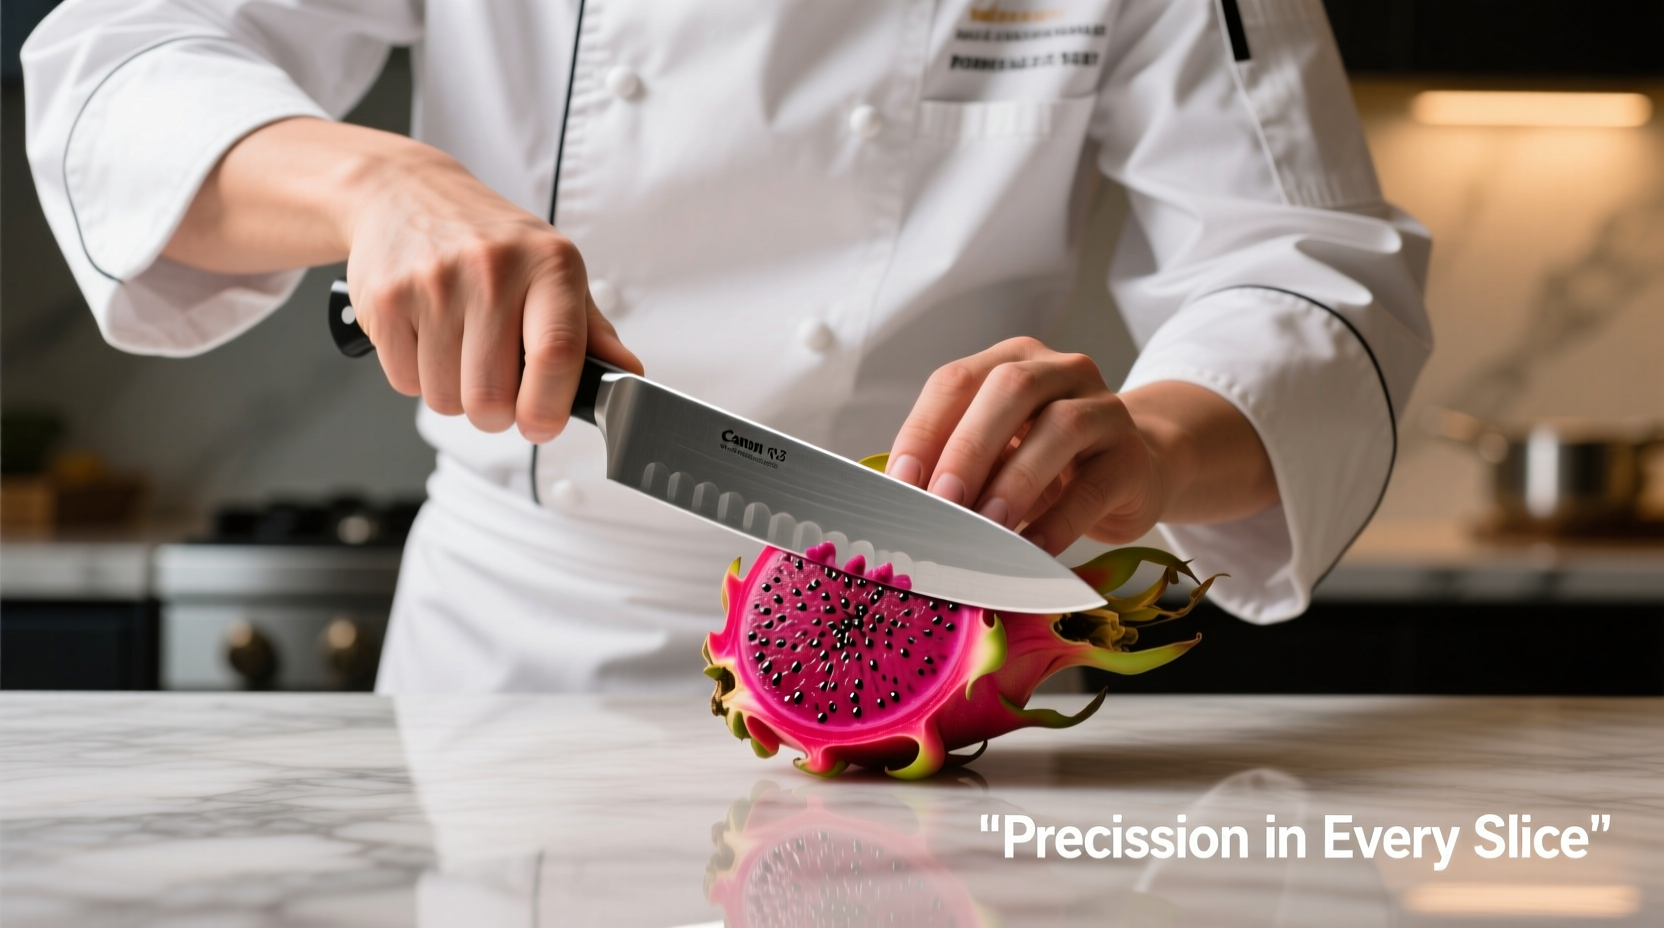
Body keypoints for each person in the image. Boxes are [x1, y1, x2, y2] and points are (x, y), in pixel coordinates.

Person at [24, 0, 1431, 693]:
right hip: (505, 665)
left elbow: (1310, 267)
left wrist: (1159, 447)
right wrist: (368, 185)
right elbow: (122, 63)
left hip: (918, 622)